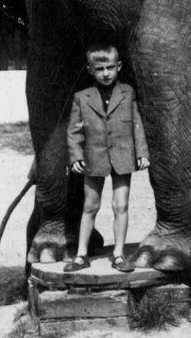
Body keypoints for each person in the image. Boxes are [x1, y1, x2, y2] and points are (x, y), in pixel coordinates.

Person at [64, 45, 150, 273]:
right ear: (90, 70)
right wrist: (75, 156)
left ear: (118, 67)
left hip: (122, 156)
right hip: (94, 158)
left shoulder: (128, 92)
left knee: (120, 205)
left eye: (110, 68)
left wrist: (142, 153)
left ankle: (119, 255)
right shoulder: (82, 98)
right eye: (99, 69)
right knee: (90, 206)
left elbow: (136, 124)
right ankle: (81, 255)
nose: (105, 73)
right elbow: (74, 131)